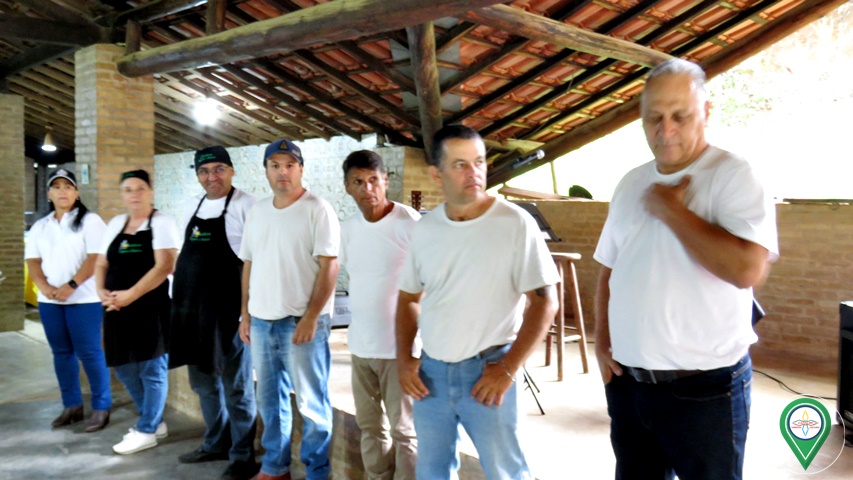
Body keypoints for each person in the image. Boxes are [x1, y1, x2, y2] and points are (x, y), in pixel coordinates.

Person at [593, 59, 779, 480]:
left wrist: (671, 211)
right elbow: (608, 268)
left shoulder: (733, 175)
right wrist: (602, 342)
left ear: (706, 112)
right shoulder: (630, 183)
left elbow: (747, 270)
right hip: (630, 386)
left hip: (705, 390)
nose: (666, 129)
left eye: (680, 116)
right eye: (654, 117)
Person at [396, 125, 559, 480]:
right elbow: (408, 299)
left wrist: (509, 368)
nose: (474, 173)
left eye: (479, 162)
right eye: (460, 165)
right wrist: (405, 359)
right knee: (431, 472)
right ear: (436, 175)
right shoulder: (426, 229)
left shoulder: (514, 223)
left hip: (489, 371)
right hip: (431, 374)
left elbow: (545, 302)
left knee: (505, 472)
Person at [238, 139, 340, 480]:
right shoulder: (258, 211)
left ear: (301, 169)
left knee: (311, 405)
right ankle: (275, 467)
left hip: (301, 323)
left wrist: (311, 317)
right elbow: (249, 263)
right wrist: (245, 313)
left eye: (290, 165)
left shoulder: (317, 209)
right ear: (266, 171)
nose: (283, 172)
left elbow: (330, 266)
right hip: (262, 322)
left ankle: (317, 473)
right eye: (275, 166)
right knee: (269, 401)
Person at [170, 147, 258, 480]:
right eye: (204, 171)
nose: (212, 177)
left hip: (229, 316)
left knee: (237, 388)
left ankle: (243, 456)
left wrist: (247, 314)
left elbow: (256, 263)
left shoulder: (247, 206)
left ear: (232, 171)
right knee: (203, 385)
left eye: (219, 169)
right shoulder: (192, 205)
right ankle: (215, 443)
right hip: (193, 316)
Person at [340, 150, 419, 479]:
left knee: (404, 431)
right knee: (370, 427)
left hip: (399, 349)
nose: (367, 188)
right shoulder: (348, 228)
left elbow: (427, 285)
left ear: (386, 181)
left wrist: (415, 349)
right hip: (362, 346)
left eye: (373, 180)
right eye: (358, 181)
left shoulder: (409, 224)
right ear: (347, 187)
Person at [95, 169, 181, 455]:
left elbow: (164, 266)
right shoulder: (116, 223)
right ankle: (154, 420)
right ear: (122, 194)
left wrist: (130, 295)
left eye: (140, 188)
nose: (134, 194)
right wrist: (100, 291)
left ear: (150, 192)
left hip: (150, 309)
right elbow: (101, 263)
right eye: (128, 189)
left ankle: (146, 430)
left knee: (151, 369)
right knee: (122, 366)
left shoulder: (162, 222)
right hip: (116, 308)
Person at [25, 168, 112, 432]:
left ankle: (101, 406)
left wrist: (71, 285)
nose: (62, 191)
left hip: (84, 300)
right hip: (50, 301)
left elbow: (96, 257)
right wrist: (44, 287)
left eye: (68, 186)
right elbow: (33, 260)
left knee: (89, 352)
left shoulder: (90, 221)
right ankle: (72, 405)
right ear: (49, 193)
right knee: (61, 353)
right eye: (57, 187)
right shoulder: (41, 226)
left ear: (76, 192)